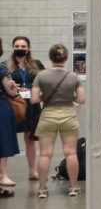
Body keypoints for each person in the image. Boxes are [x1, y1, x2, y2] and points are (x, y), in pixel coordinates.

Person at [31, 43, 84, 198]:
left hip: (48, 115)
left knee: (45, 154)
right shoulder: (73, 76)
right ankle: (73, 187)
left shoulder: (41, 76)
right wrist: (70, 97)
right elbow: (81, 99)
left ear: (50, 57)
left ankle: (42, 189)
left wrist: (45, 96)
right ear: (66, 58)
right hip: (69, 115)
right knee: (70, 153)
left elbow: (34, 99)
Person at [7, 36, 46, 180]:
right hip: (13, 105)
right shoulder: (5, 66)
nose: (20, 49)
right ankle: (3, 173)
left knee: (30, 140)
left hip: (32, 106)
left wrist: (37, 91)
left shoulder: (37, 64)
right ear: (12, 47)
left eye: (23, 46)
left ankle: (32, 171)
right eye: (17, 46)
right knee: (5, 139)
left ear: (28, 48)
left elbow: (45, 82)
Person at [0, 38, 21, 190]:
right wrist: (13, 87)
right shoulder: (1, 68)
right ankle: (3, 175)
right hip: (1, 107)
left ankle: (3, 174)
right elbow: (11, 91)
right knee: (3, 140)